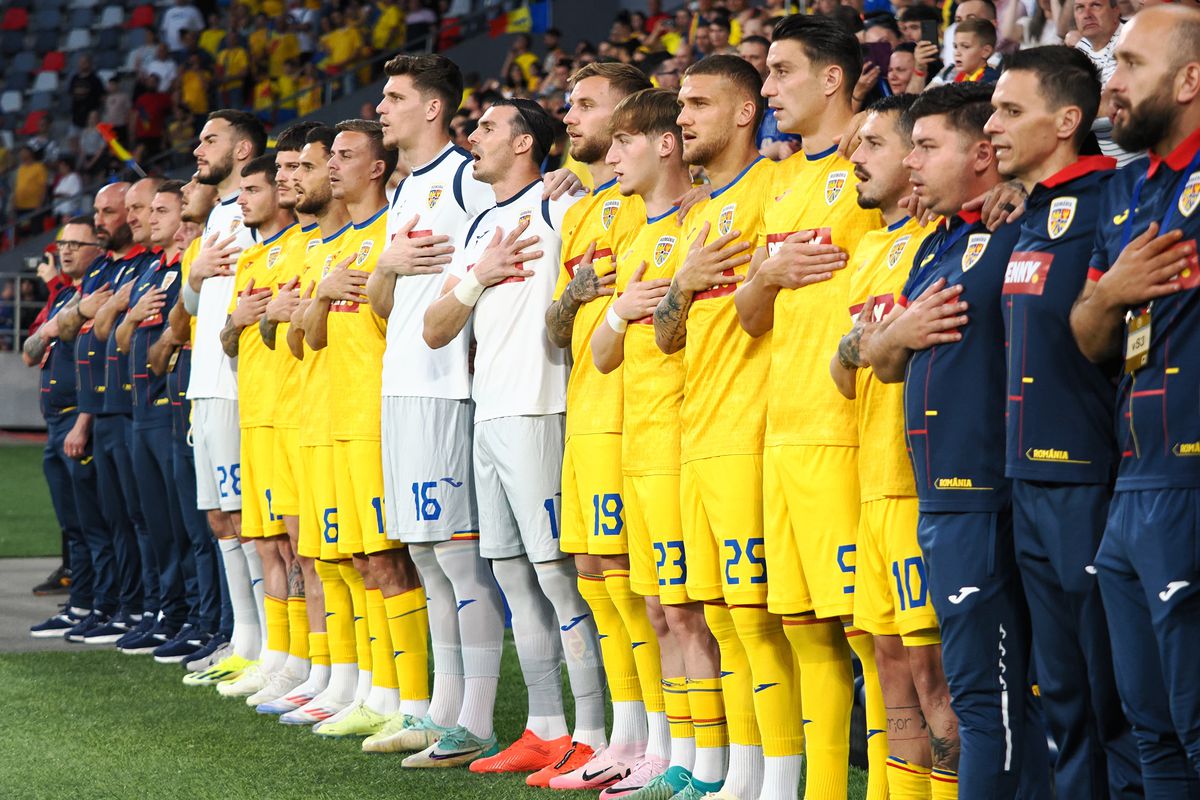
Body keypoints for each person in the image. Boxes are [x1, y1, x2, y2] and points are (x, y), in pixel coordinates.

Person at [865, 83, 1052, 799]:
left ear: (982, 155)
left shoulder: (1020, 228)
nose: (910, 163)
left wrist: (1019, 197)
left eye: (926, 146)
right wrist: (893, 335)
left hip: (992, 494)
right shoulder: (940, 244)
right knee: (983, 697)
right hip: (940, 496)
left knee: (990, 700)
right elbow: (882, 361)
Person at [423, 98, 605, 774]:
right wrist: (480, 276)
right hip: (488, 412)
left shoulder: (561, 203)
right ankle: (544, 725)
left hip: (540, 406)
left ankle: (589, 731)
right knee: (510, 576)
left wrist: (578, 180)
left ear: (526, 143)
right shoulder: (478, 227)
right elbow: (436, 327)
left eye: (488, 128)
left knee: (558, 577)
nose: (473, 137)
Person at [735, 15, 891, 800]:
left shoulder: (876, 154)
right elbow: (751, 316)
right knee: (803, 631)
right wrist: (764, 276)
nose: (767, 89)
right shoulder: (785, 178)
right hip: (780, 428)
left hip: (846, 429)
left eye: (781, 72)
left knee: (873, 638)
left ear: (833, 77)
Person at [985, 45, 1144, 800]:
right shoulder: (1032, 211)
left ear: (1069, 120)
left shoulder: (1114, 197)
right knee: (1063, 693)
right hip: (1025, 481)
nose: (993, 125)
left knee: (1115, 692)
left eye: (1011, 111)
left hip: (1093, 479)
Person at [1069, 6, 1200, 795]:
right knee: (1147, 729)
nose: (1111, 86)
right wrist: (1113, 292)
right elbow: (1089, 336)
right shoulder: (1126, 193)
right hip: (1134, 487)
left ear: (1189, 80)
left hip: (1191, 481)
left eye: (1130, 67)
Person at [363, 53, 508, 764]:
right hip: (403, 381)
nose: (381, 108)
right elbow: (382, 306)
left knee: (457, 557)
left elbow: (504, 255)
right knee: (424, 553)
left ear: (431, 107)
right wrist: (385, 266)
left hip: (449, 386)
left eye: (393, 97)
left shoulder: (463, 177)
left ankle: (475, 719)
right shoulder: (406, 189)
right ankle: (442, 709)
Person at [590, 86, 730, 800]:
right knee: (657, 608)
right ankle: (674, 752)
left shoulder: (703, 219)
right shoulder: (633, 236)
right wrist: (617, 309)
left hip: (686, 438)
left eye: (624, 143)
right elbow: (603, 355)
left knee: (693, 610)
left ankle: (711, 764)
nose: (610, 157)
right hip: (638, 444)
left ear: (665, 144)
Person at [653, 53, 776, 800]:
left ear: (743, 112)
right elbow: (669, 334)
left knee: (762, 620)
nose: (683, 116)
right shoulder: (697, 215)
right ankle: (741, 773)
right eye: (680, 103)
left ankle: (779, 779)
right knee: (718, 616)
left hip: (750, 434)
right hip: (694, 432)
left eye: (698, 103)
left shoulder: (781, 188)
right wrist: (682, 285)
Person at [831, 93, 961, 800]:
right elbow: (844, 366)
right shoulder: (868, 248)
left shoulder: (938, 240)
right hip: (868, 486)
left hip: (919, 487)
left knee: (933, 671)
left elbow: (876, 357)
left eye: (874, 144)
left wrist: (868, 347)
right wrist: (873, 341)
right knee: (885, 666)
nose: (858, 156)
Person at [540, 60, 665, 791]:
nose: (572, 118)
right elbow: (559, 327)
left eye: (587, 105)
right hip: (586, 411)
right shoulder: (585, 210)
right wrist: (580, 292)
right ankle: (625, 733)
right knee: (594, 576)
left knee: (641, 584)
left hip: (636, 417)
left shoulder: (650, 205)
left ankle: (660, 739)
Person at [301, 119, 430, 742]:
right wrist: (321, 296)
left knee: (388, 559)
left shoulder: (395, 232)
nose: (331, 167)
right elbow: (308, 338)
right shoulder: (335, 245)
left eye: (344, 157)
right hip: (336, 418)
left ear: (377, 167)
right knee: (358, 558)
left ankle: (412, 699)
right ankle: (379, 691)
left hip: (381, 419)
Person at [274, 124, 364, 724]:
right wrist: (316, 300)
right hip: (311, 416)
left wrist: (314, 304)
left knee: (375, 560)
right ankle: (334, 675)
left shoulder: (378, 234)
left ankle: (380, 688)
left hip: (362, 417)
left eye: (315, 165)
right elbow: (296, 339)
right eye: (310, 165)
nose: (310, 175)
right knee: (323, 556)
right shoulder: (314, 252)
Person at [182, 109, 268, 685]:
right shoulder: (217, 215)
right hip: (205, 384)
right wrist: (195, 274)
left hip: (240, 386)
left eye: (209, 139)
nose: (197, 148)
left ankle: (270, 648)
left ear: (242, 150)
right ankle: (245, 638)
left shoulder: (260, 210)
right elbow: (191, 306)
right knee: (219, 517)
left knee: (250, 519)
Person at [213, 156, 301, 699]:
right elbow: (229, 338)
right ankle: (280, 654)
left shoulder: (303, 247)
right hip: (254, 415)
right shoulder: (249, 260)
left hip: (292, 412)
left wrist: (263, 320)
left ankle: (310, 662)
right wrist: (238, 321)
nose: (241, 200)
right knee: (265, 543)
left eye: (252, 189)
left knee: (301, 548)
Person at [251, 121, 332, 715]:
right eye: (284, 170)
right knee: (290, 546)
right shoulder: (269, 254)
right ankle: (299, 661)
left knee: (326, 550)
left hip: (321, 411)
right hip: (280, 413)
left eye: (300, 168)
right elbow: (247, 331)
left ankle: (329, 668)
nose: (289, 179)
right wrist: (267, 315)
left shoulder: (330, 241)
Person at [114, 178, 201, 657]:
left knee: (187, 522)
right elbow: (130, 343)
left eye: (160, 211)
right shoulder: (152, 271)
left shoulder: (183, 269)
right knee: (152, 520)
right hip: (146, 407)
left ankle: (192, 614)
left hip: (173, 404)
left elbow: (166, 346)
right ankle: (163, 610)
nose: (145, 220)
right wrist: (128, 319)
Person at [25, 220, 113, 642]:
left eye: (78, 243)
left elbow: (95, 365)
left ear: (99, 248)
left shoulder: (99, 296)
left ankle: (102, 604)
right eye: (63, 243)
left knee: (93, 522)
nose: (67, 250)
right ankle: (81, 602)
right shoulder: (62, 296)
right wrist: (48, 327)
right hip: (55, 421)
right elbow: (29, 353)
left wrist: (82, 422)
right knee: (72, 523)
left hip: (81, 419)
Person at [1072, 0, 1138, 166]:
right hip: (1114, 168)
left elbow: (1118, 104)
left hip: (1146, 162)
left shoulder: (1130, 40)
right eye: (1080, 8)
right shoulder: (1081, 48)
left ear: (1116, 11)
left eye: (1095, 5)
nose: (1087, 14)